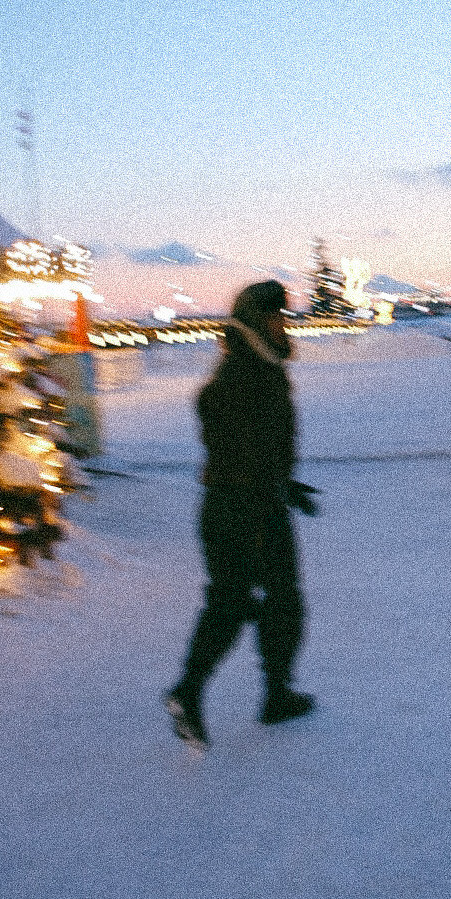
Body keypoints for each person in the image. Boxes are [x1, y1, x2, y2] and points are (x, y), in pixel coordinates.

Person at [164, 280, 318, 750]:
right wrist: (264, 494)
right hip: (243, 510)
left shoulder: (256, 369)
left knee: (257, 602)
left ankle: (268, 694)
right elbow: (233, 447)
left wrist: (285, 485)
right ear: (254, 322)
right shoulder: (241, 377)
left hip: (248, 504)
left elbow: (256, 448)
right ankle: (195, 693)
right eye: (274, 318)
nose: (282, 325)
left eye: (284, 317)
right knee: (254, 603)